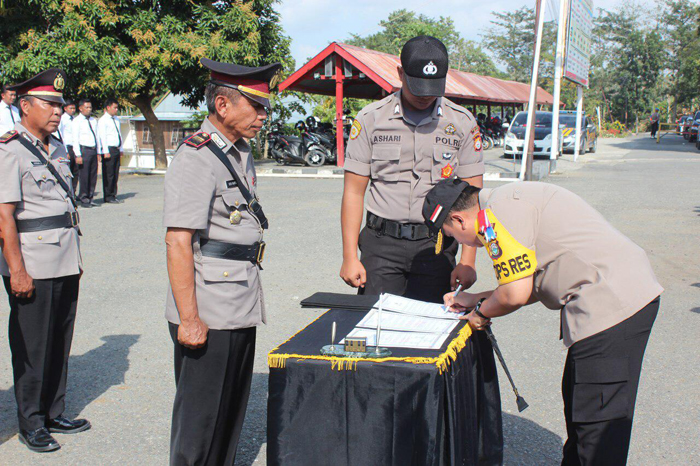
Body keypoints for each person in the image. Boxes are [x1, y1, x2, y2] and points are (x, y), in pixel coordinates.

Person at [422, 179, 663, 465]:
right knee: (581, 408)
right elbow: (530, 282)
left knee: (597, 423)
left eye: (453, 236)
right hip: (613, 298)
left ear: (458, 219)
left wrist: (480, 315)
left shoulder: (497, 214)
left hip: (611, 305)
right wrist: (477, 299)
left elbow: (514, 294)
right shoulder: (507, 200)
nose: (463, 243)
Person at [163, 57, 281, 465]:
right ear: (223, 106)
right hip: (208, 306)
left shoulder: (238, 150)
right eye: (256, 105)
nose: (263, 115)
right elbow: (178, 242)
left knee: (230, 411)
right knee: (200, 419)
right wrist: (190, 317)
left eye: (265, 106)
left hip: (238, 295)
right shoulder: (197, 156)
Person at [340, 35, 485, 303]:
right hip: (381, 245)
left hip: (437, 246)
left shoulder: (462, 123)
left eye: (433, 88)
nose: (426, 96)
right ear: (400, 73)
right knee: (377, 333)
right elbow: (353, 192)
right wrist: (349, 256)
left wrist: (468, 260)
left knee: (430, 334)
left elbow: (472, 198)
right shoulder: (371, 119)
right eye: (418, 87)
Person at [0, 69, 89, 453]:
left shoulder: (56, 147)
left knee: (58, 339)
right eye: (49, 104)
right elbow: (4, 216)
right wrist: (16, 269)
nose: (57, 110)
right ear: (25, 106)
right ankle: (31, 421)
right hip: (32, 262)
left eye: (59, 104)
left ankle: (53, 411)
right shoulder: (9, 149)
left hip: (65, 256)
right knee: (32, 345)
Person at [72, 99, 100, 208]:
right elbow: (75, 138)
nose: (89, 109)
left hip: (93, 149)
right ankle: (84, 198)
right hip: (84, 150)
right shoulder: (77, 121)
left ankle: (90, 196)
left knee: (93, 175)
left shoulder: (93, 120)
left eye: (90, 107)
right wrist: (78, 154)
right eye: (87, 107)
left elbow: (97, 136)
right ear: (80, 108)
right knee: (84, 175)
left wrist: (98, 151)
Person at [97, 98, 124, 204]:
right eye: (115, 107)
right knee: (109, 173)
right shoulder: (103, 120)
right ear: (108, 108)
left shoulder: (116, 119)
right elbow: (102, 136)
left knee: (115, 172)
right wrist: (105, 150)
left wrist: (121, 148)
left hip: (116, 148)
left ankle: (113, 193)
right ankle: (108, 195)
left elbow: (119, 134)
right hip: (109, 149)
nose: (116, 110)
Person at [58, 100, 79, 191]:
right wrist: (65, 150)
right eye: (71, 108)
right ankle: (68, 190)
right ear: (65, 108)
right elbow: (61, 134)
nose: (73, 110)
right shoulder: (62, 119)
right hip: (68, 146)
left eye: (74, 108)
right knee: (68, 170)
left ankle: (73, 190)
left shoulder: (75, 119)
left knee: (76, 170)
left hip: (75, 146)